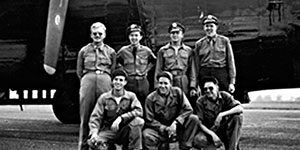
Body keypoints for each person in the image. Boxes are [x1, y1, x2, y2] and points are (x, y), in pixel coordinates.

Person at [76, 22, 117, 150]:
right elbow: (79, 70)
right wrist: (86, 80)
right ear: (91, 35)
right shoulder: (84, 51)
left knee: (106, 113)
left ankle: (104, 144)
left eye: (100, 34)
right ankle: (83, 145)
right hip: (88, 79)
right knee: (85, 113)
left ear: (104, 35)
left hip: (105, 80)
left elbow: (113, 69)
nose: (97, 36)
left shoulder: (111, 52)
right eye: (95, 34)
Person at [88, 69, 144, 150]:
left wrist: (121, 118)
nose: (118, 82)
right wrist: (94, 133)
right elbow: (96, 117)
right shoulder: (104, 98)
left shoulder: (131, 96)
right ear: (112, 82)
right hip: (109, 131)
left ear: (125, 82)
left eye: (121, 80)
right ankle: (110, 147)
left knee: (139, 121)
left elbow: (139, 111)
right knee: (94, 143)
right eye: (116, 79)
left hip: (126, 130)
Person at [143, 71, 199, 150]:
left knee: (194, 119)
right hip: (161, 131)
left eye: (165, 83)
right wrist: (165, 128)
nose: (163, 86)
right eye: (160, 83)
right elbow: (149, 120)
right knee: (146, 134)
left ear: (171, 84)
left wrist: (176, 122)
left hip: (178, 128)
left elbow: (188, 109)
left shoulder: (178, 92)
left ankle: (185, 146)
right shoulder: (150, 98)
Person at [193, 77, 243, 150]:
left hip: (226, 129)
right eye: (205, 89)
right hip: (211, 130)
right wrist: (213, 135)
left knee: (237, 117)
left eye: (211, 88)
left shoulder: (225, 96)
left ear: (217, 87)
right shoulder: (200, 101)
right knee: (199, 139)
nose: (208, 91)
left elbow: (240, 108)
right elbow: (199, 123)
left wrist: (221, 114)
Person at [193, 15, 236, 94]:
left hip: (221, 73)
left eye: (211, 26)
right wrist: (196, 84)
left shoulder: (224, 41)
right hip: (205, 73)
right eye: (207, 26)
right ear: (204, 28)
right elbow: (196, 66)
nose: (209, 28)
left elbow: (230, 62)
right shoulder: (199, 44)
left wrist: (232, 82)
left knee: (223, 97)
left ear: (216, 27)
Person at [154, 22, 197, 99]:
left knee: (184, 101)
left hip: (183, 79)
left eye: (177, 33)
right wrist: (157, 85)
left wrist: (193, 86)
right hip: (169, 80)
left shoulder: (188, 51)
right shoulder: (163, 50)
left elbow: (192, 70)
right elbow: (158, 69)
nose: (175, 35)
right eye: (172, 33)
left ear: (182, 35)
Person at [117, 24, 156, 105]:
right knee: (129, 102)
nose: (134, 38)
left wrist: (146, 71)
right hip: (129, 81)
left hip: (143, 81)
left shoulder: (146, 50)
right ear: (129, 37)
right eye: (132, 35)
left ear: (141, 37)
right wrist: (123, 71)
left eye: (136, 35)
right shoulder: (123, 51)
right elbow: (116, 61)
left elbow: (154, 61)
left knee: (145, 102)